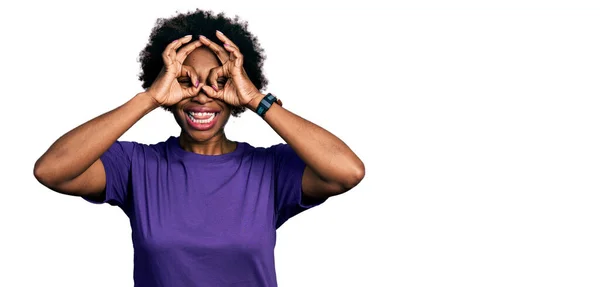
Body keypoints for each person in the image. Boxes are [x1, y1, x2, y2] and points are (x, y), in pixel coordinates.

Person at [33, 9, 365, 287]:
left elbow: (348, 172)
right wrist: (148, 98)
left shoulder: (270, 169)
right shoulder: (136, 165)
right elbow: (51, 171)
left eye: (220, 81)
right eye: (185, 80)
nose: (203, 94)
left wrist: (257, 100)